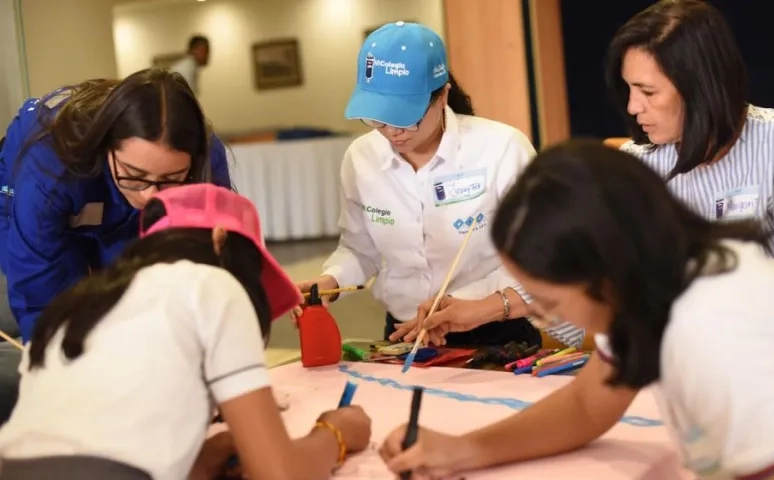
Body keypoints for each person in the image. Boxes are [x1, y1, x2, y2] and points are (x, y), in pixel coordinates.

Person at [379, 139, 774, 479]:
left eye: (551, 304)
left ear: (604, 275)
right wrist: (463, 450)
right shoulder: (652, 287)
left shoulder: (713, 327)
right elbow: (586, 405)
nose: (547, 317)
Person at [0, 184, 372, 480]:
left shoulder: (77, 303)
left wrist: (198, 461)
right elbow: (280, 473)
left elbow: (92, 446)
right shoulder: (212, 284)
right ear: (220, 240)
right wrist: (336, 433)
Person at [294, 21, 569, 349]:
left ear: (442, 96)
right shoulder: (361, 158)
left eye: (405, 118)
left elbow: (540, 260)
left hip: (494, 331)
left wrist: (474, 306)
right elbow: (358, 249)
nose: (393, 132)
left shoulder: (501, 148)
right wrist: (331, 281)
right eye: (378, 119)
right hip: (405, 337)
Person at [605, 0, 774, 297]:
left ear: (700, 87)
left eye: (648, 92)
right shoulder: (635, 166)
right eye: (629, 89)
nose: (632, 106)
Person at [0, 67, 231, 346]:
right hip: (48, 186)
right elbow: (39, 297)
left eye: (170, 179)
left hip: (107, 201)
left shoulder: (204, 156)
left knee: (142, 304)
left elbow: (220, 260)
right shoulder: (50, 169)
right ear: (107, 145)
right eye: (135, 175)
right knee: (69, 316)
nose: (150, 196)